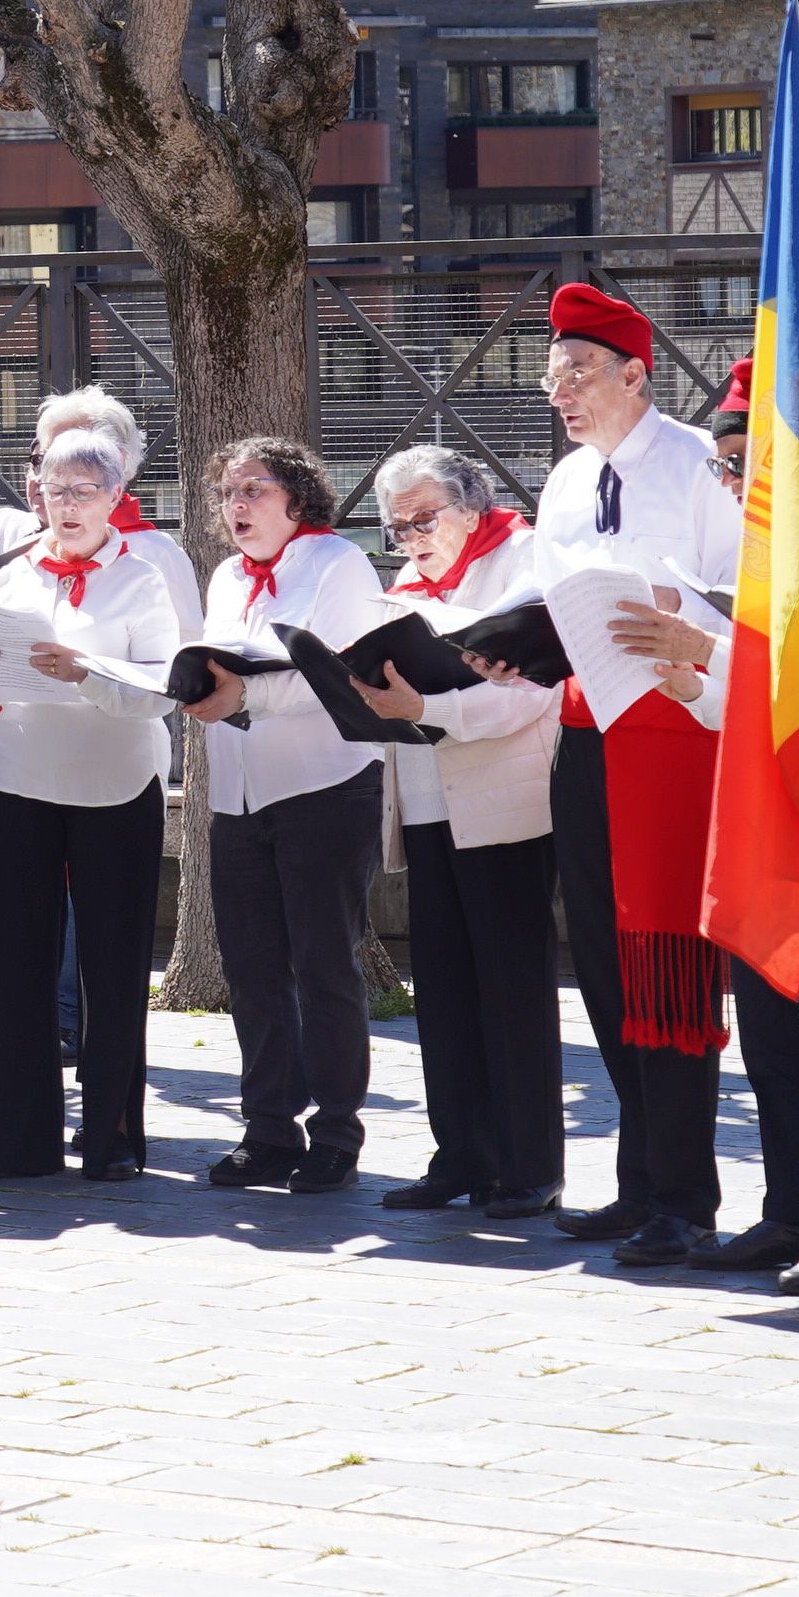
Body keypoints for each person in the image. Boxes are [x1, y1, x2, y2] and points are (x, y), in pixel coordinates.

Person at [610, 366, 799, 1294]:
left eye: (744, 464)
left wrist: (711, 657)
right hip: (762, 785)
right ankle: (794, 1209)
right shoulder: (755, 549)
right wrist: (695, 687)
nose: (732, 485)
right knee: (770, 1011)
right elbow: (748, 701)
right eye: (726, 468)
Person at [503, 284, 743, 1266]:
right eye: (551, 376)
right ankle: (640, 1174)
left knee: (672, 962)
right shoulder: (565, 481)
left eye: (579, 372)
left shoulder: (698, 466)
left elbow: (737, 606)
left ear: (636, 373)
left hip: (677, 727)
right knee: (601, 954)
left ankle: (687, 1192)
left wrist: (670, 613)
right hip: (586, 726)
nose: (561, 391)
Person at [0, 425, 190, 1180]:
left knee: (112, 962)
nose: (66, 505)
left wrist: (83, 672)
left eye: (84, 492)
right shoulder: (16, 575)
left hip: (115, 785)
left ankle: (112, 1135)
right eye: (54, 491)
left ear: (116, 498)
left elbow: (162, 694)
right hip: (24, 779)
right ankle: (13, 1134)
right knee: (17, 960)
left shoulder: (142, 579)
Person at [352, 446, 565, 1219]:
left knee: (511, 986)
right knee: (441, 987)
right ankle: (461, 1154)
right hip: (425, 796)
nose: (408, 538)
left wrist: (430, 708)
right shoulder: (405, 584)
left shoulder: (524, 560)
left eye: (422, 520)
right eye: (396, 526)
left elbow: (533, 691)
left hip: (503, 800)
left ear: (472, 509)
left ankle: (528, 1164)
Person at [185, 436, 390, 1194]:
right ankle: (268, 1126)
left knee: (324, 966)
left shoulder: (337, 563)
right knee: (252, 969)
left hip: (325, 788)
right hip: (238, 793)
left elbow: (334, 672)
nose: (236, 506)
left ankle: (337, 1131)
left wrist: (243, 696)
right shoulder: (227, 574)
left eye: (254, 490)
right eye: (228, 494)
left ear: (298, 498)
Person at [0, 387, 203, 623]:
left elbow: (181, 653)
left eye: (76, 458)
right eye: (42, 460)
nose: (51, 474)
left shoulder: (157, 554)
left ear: (118, 465)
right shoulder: (9, 531)